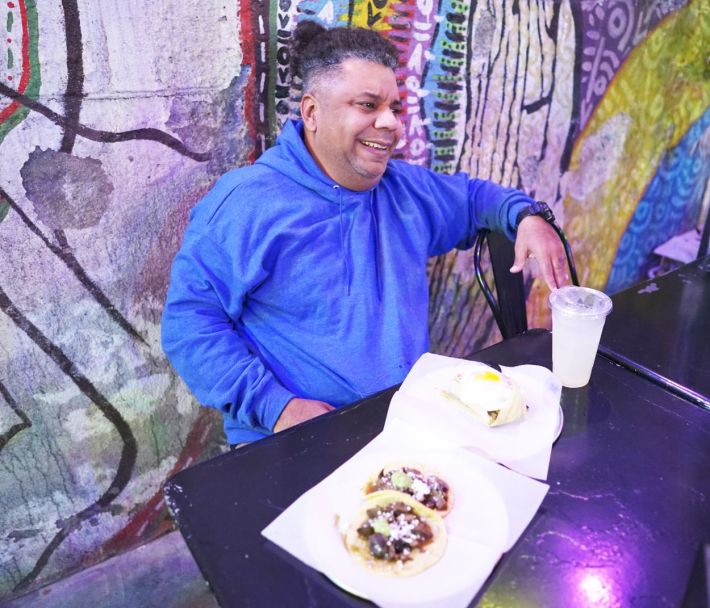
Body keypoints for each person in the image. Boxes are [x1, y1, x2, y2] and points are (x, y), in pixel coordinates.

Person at [161, 21, 570, 446]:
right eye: (368, 105)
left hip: (406, 430)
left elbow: (473, 200)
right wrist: (276, 408)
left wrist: (526, 216)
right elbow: (189, 323)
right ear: (312, 112)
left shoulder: (403, 189)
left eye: (394, 107)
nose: (390, 123)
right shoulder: (247, 203)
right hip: (293, 445)